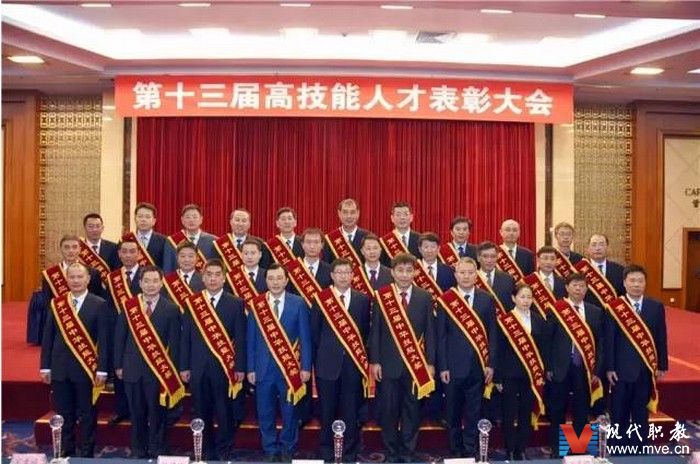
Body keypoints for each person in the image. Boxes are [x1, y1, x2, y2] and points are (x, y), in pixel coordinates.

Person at [370, 253, 436, 462]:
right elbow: (375, 331)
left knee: (412, 409)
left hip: (415, 365)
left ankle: (408, 451)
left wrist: (430, 363)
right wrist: (375, 361)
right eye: (400, 270)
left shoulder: (424, 297)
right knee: (388, 410)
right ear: (393, 272)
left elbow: (430, 332)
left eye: (409, 271)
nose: (405, 275)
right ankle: (391, 451)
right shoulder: (382, 296)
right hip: (387, 364)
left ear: (415, 272)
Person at [40, 263, 109, 457]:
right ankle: (65, 450)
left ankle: (87, 452)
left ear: (88, 279)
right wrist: (45, 367)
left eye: (80, 277)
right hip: (60, 368)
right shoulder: (57, 304)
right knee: (63, 413)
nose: (76, 281)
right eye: (72, 277)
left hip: (86, 368)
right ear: (66, 279)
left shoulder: (99, 304)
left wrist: (102, 369)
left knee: (87, 413)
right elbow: (48, 337)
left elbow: (104, 340)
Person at [180, 259, 247, 460]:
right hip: (197, 367)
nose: (213, 278)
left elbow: (240, 338)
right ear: (203, 277)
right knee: (200, 410)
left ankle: (224, 449)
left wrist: (240, 367)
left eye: (218, 274)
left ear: (224, 278)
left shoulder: (236, 303)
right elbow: (186, 337)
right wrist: (184, 366)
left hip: (224, 367)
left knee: (224, 410)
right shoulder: (193, 302)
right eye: (209, 274)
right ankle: (205, 450)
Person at [114, 266, 183, 458]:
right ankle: (138, 449)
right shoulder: (129, 306)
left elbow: (175, 343)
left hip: (158, 371)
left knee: (158, 413)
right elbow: (119, 337)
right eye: (147, 281)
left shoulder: (171, 309)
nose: (151, 285)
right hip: (132, 369)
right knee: (136, 414)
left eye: (155, 281)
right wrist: (118, 365)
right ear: (140, 283)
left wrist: (173, 370)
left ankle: (158, 448)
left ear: (161, 283)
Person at [247, 264, 312, 462]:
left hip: (289, 369)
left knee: (290, 411)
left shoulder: (298, 303)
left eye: (279, 278)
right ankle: (269, 448)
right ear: (266, 281)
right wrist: (250, 368)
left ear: (286, 280)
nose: (275, 282)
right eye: (271, 278)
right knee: (264, 411)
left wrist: (305, 367)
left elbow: (305, 338)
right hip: (263, 368)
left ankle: (287, 447)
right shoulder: (257, 304)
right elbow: (251, 339)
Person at [311, 258, 371, 462]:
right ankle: (327, 451)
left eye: (347, 272)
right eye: (339, 272)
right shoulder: (321, 299)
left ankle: (350, 452)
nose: (343, 276)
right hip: (326, 365)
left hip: (353, 365)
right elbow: (315, 334)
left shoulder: (363, 300)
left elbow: (364, 332)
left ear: (353, 276)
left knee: (351, 410)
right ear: (332, 275)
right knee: (327, 410)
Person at [437, 258, 497, 458]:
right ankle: (455, 450)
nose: (466, 276)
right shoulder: (446, 299)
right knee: (452, 413)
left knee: (474, 412)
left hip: (478, 366)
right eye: (462, 272)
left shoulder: (486, 299)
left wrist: (490, 364)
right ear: (455, 275)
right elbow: (441, 336)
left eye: (470, 272)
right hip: (452, 368)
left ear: (476, 275)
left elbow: (492, 334)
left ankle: (470, 450)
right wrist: (443, 366)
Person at [606, 264, 668, 446]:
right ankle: (618, 448)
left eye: (640, 281)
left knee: (641, 412)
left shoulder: (655, 307)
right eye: (632, 280)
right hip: (620, 371)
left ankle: (639, 448)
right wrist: (609, 367)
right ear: (624, 283)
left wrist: (662, 365)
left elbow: (661, 337)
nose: (636, 284)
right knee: (619, 412)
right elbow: (609, 340)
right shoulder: (614, 307)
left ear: (645, 283)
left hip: (645, 369)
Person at [546, 273, 604, 456]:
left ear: (587, 289)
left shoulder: (595, 312)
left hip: (585, 368)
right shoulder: (556, 309)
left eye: (582, 286)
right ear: (567, 288)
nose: (578, 289)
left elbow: (600, 344)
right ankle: (558, 449)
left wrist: (597, 370)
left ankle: (580, 448)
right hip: (560, 367)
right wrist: (548, 367)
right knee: (557, 410)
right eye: (575, 285)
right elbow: (548, 341)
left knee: (582, 409)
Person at [495, 283, 548, 461]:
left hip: (531, 375)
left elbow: (543, 349)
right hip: (509, 375)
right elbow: (498, 350)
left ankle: (521, 449)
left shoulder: (539, 320)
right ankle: (510, 449)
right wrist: (498, 377)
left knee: (526, 413)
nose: (526, 301)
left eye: (529, 297)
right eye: (522, 297)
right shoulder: (505, 321)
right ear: (514, 298)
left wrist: (541, 373)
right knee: (509, 413)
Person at [106, 238, 143, 425]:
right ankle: (122, 409)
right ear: (119, 254)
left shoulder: (148, 275)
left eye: (132, 251)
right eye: (124, 252)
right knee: (120, 371)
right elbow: (108, 307)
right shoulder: (112, 278)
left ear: (139, 254)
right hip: (118, 331)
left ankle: (141, 410)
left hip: (143, 331)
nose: (128, 255)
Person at [163, 204, 218, 273]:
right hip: (180, 279)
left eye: (195, 217)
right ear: (182, 220)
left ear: (201, 219)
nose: (191, 220)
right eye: (188, 217)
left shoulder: (213, 241)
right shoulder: (171, 241)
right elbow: (168, 268)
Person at [585, 233, 626, 303]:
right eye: (594, 245)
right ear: (588, 248)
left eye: (601, 244)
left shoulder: (619, 270)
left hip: (612, 308)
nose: (598, 248)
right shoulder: (581, 270)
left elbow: (623, 295)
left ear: (607, 248)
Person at [476, 241, 515, 311]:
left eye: (493, 256)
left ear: (497, 257)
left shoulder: (508, 279)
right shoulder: (472, 278)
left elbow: (511, 305)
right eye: (485, 256)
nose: (489, 260)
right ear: (478, 258)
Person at [127, 202, 167, 268]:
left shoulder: (164, 241)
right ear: (135, 219)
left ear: (154, 221)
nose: (143, 220)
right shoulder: (127, 240)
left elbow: (166, 266)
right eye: (140, 216)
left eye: (147, 217)